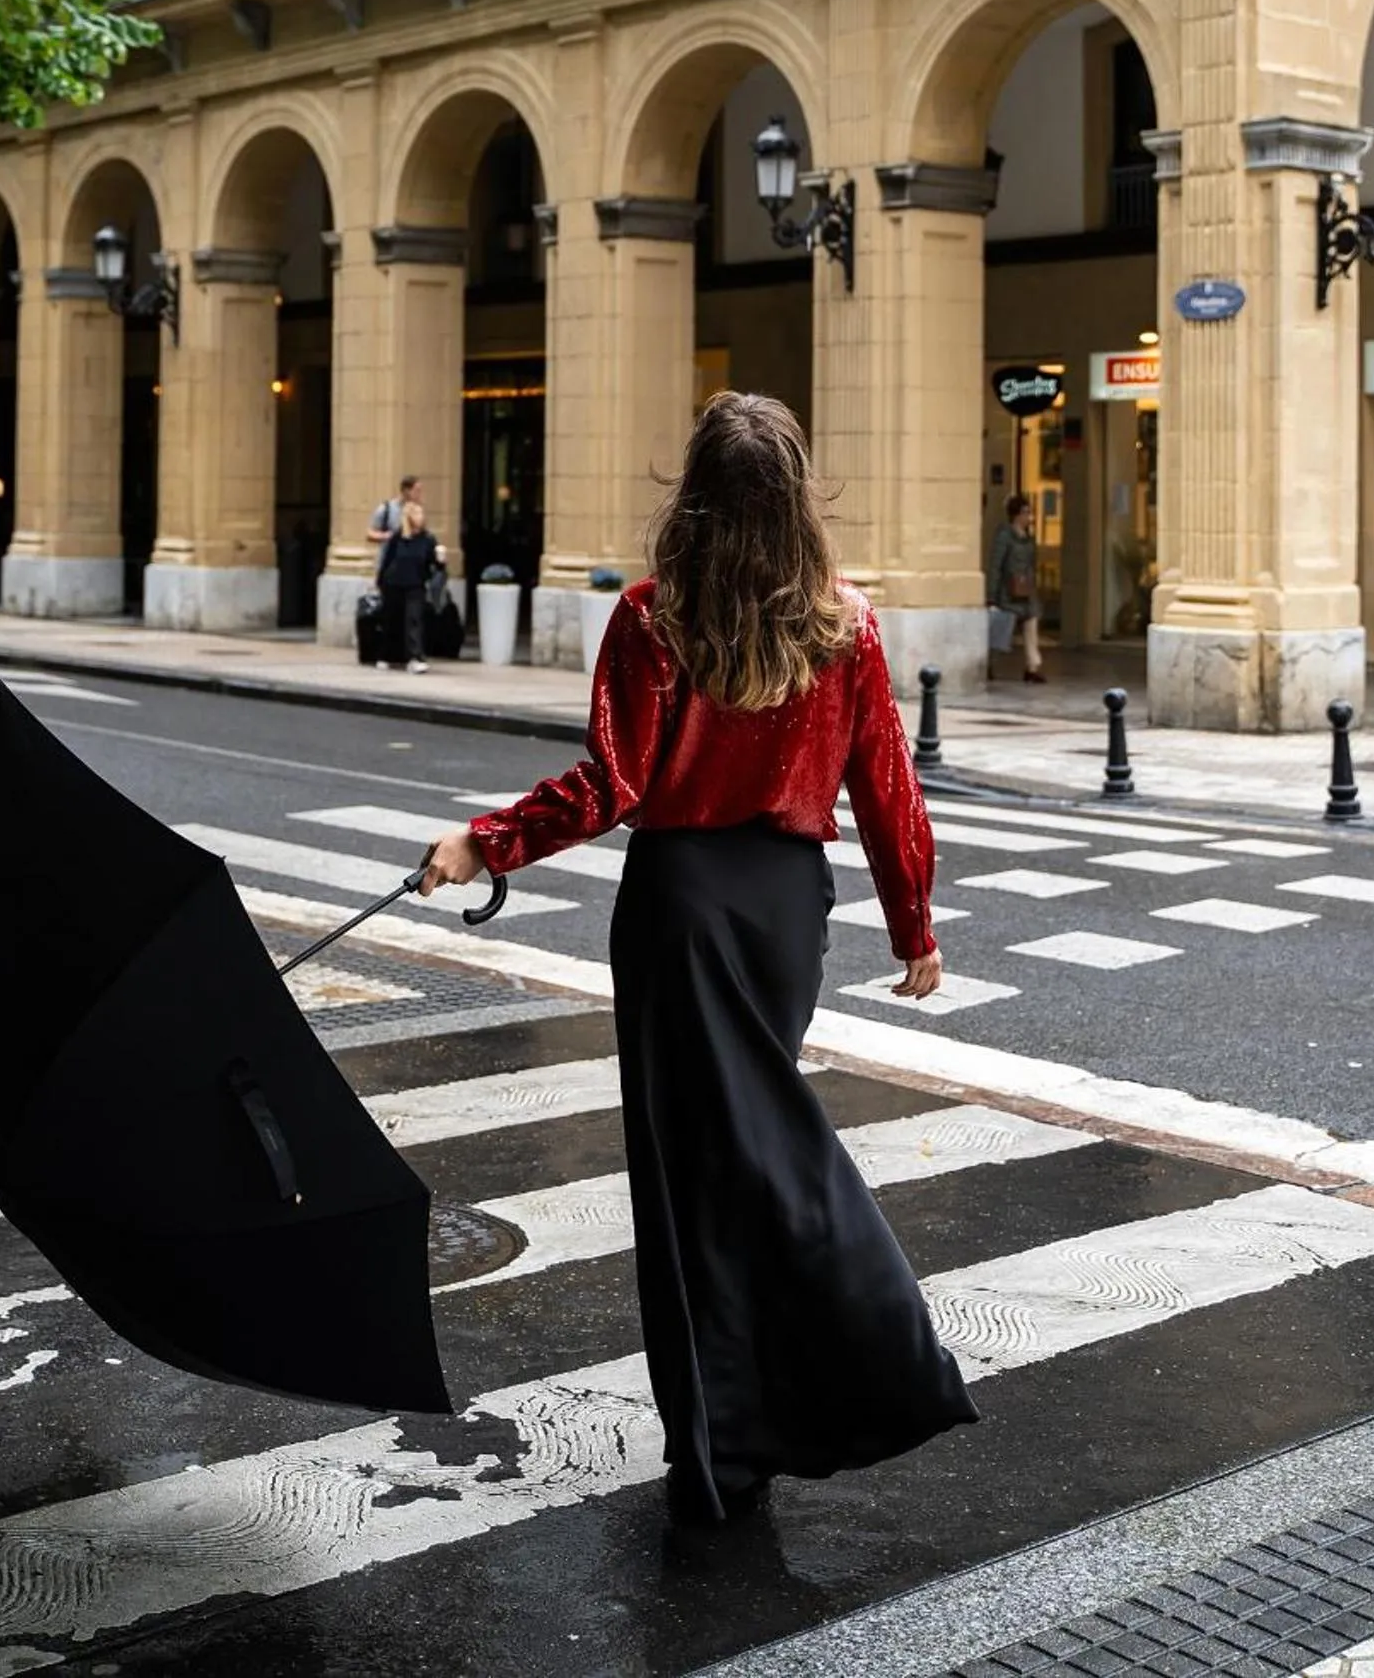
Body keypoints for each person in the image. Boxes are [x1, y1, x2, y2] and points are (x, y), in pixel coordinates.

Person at [417, 391, 977, 1526]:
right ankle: (796, 1395)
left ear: (698, 498)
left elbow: (610, 786)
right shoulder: (847, 624)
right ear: (795, 503)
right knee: (761, 1148)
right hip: (784, 917)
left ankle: (729, 1438)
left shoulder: (652, 618)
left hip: (678, 908)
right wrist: (913, 924)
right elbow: (888, 791)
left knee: (689, 1188)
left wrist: (485, 842)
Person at [377, 498, 444, 675]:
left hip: (415, 584)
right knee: (392, 620)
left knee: (414, 620)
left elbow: (434, 564)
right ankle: (386, 655)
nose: (420, 516)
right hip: (394, 583)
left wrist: (440, 562)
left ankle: (415, 657)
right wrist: (380, 580)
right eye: (416, 513)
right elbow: (387, 560)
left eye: (421, 513)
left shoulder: (428, 539)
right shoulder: (398, 538)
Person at [987, 491, 1045, 682]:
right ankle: (988, 663)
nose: (1029, 517)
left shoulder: (1028, 539)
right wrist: (992, 596)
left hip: (1025, 590)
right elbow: (996, 565)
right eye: (1026, 512)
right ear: (1016, 515)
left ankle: (1032, 666)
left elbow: (1031, 564)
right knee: (1001, 630)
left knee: (1031, 622)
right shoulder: (1004, 536)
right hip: (1007, 592)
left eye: (1029, 512)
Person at [368, 474, 423, 580]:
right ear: (407, 491)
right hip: (389, 565)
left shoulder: (417, 510)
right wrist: (387, 536)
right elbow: (370, 533)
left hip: (412, 568)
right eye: (417, 491)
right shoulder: (386, 509)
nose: (419, 495)